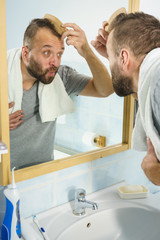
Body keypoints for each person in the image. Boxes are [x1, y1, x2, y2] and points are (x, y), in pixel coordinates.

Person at [8, 17, 114, 169]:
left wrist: (86, 52)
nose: (55, 63)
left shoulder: (60, 77)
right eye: (47, 52)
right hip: (4, 181)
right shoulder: (3, 78)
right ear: (25, 53)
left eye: (59, 54)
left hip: (44, 177)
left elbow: (105, 90)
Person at [91, 12, 160, 185]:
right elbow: (140, 88)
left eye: (111, 59)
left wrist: (155, 173)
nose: (110, 65)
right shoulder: (153, 79)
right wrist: (114, 57)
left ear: (124, 57)